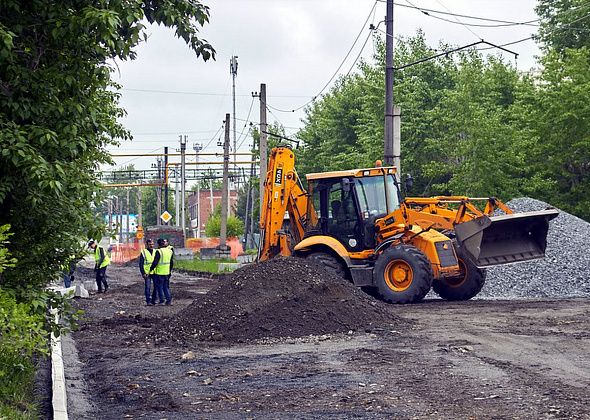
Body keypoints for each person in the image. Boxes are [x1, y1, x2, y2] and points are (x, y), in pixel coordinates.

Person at [149, 238, 173, 305]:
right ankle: (168, 300)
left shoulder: (159, 251)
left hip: (159, 272)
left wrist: (150, 269)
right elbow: (171, 262)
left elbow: (155, 262)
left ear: (158, 244)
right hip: (167, 272)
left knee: (159, 287)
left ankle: (162, 300)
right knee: (166, 287)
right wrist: (169, 271)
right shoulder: (170, 251)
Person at [139, 239, 156, 306]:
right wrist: (143, 273)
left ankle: (153, 300)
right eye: (150, 244)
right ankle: (148, 300)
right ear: (147, 245)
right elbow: (141, 264)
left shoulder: (156, 251)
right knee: (148, 287)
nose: (151, 246)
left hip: (155, 272)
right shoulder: (144, 252)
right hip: (147, 273)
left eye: (152, 244)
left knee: (156, 287)